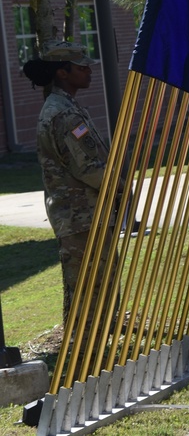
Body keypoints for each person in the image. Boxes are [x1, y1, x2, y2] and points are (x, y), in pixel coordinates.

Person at [22, 41, 114, 325]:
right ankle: (86, 355)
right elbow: (86, 167)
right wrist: (121, 186)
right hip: (79, 215)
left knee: (102, 285)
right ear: (62, 73)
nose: (89, 71)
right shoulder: (61, 113)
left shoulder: (67, 105)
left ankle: (103, 353)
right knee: (88, 291)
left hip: (89, 213)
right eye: (81, 67)